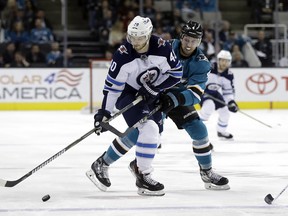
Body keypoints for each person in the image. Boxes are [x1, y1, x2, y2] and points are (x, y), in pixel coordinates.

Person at [87, 20, 230, 196]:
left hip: (176, 99)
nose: (189, 44)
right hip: (153, 95)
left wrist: (175, 99)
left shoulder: (201, 63)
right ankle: (108, 163)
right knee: (143, 131)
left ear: (200, 42)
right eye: (187, 39)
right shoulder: (166, 48)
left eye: (194, 40)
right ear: (181, 37)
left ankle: (207, 172)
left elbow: (196, 93)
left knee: (199, 130)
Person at [86, 15, 183, 196]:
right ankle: (144, 175)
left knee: (149, 134)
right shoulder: (123, 55)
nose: (135, 42)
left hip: (151, 93)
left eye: (139, 38)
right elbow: (113, 88)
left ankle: (102, 163)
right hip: (128, 94)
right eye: (132, 37)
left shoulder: (162, 48)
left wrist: (154, 88)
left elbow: (176, 73)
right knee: (150, 129)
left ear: (148, 35)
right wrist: (104, 112)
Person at [199, 50, 239, 139]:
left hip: (215, 93)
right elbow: (198, 76)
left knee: (225, 113)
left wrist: (231, 102)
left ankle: (221, 131)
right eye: (222, 60)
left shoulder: (229, 74)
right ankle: (197, 127)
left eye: (227, 61)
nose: (224, 63)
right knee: (209, 107)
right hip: (202, 91)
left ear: (230, 62)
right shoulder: (208, 67)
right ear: (218, 60)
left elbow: (228, 91)